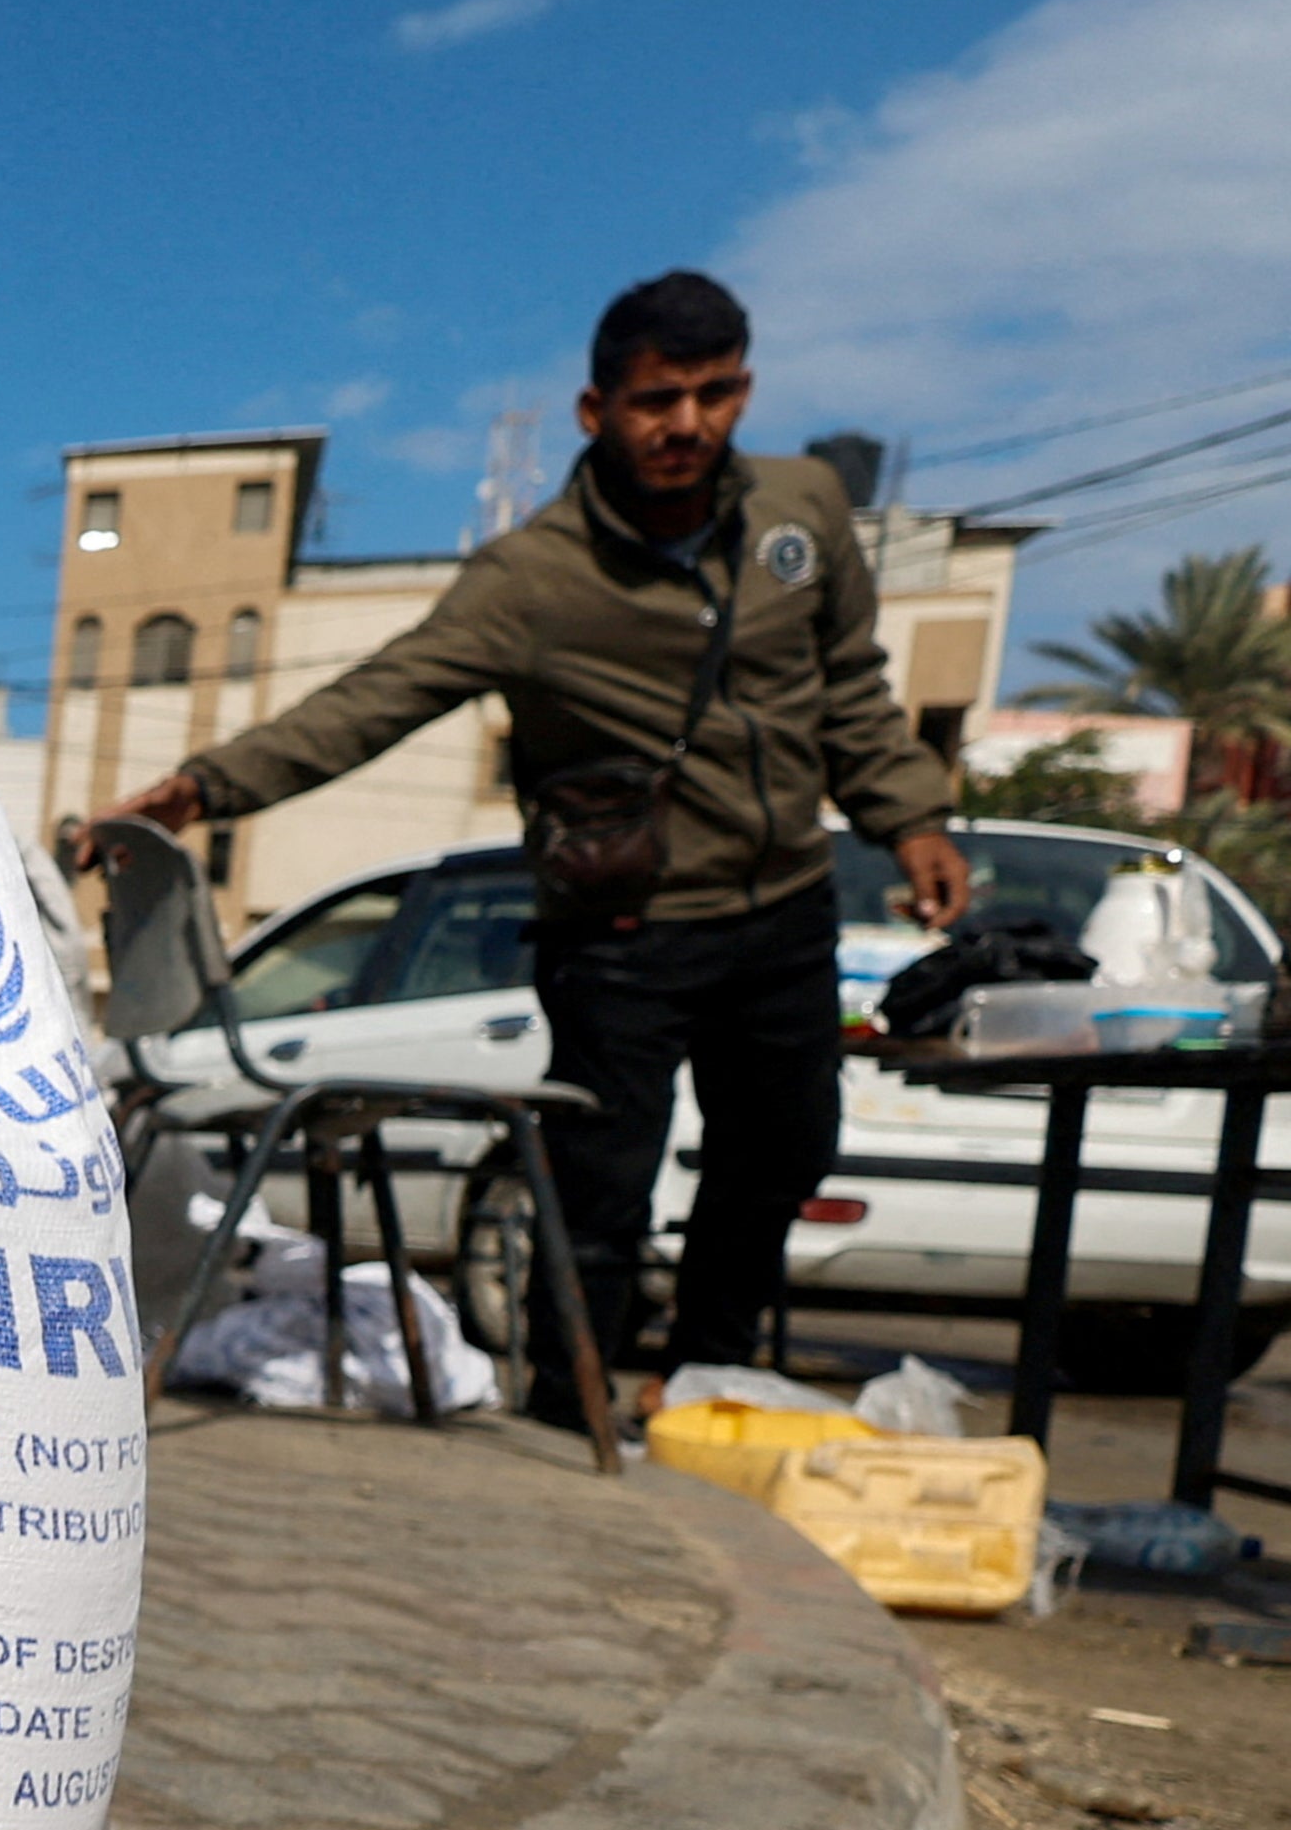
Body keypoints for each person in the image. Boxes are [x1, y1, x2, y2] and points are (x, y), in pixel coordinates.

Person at [81, 269, 974, 1417]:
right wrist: (208, 785)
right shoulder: (531, 579)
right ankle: (571, 1401)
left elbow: (849, 689)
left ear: (743, 390)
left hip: (782, 904)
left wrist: (909, 822)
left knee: (783, 1149)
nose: (685, 425)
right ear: (595, 411)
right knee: (598, 1181)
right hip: (622, 928)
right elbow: (374, 699)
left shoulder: (797, 519)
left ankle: (709, 1377)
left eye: (711, 395)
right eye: (657, 401)